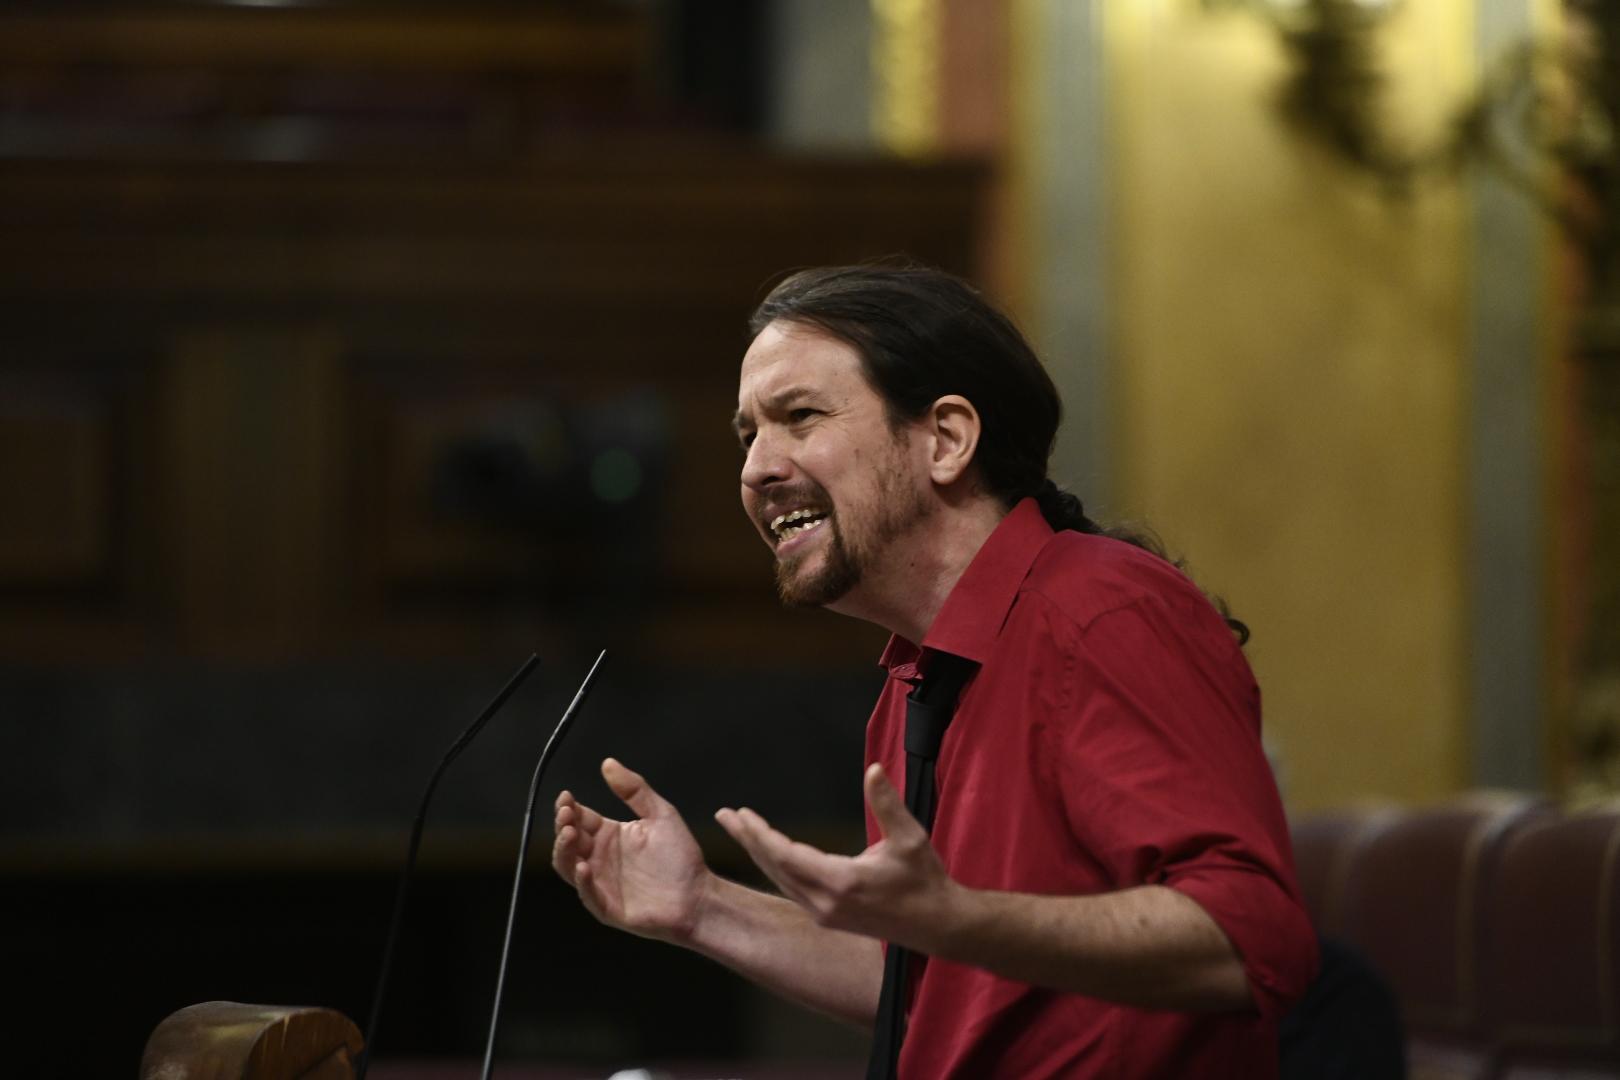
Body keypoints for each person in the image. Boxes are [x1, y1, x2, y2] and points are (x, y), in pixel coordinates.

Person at [552, 264, 1319, 1077]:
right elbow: (933, 982)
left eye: (799, 417)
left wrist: (954, 919)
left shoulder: (1100, 610)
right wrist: (702, 906)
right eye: (748, 435)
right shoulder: (917, 679)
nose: (755, 471)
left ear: (946, 439)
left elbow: (1253, 939)